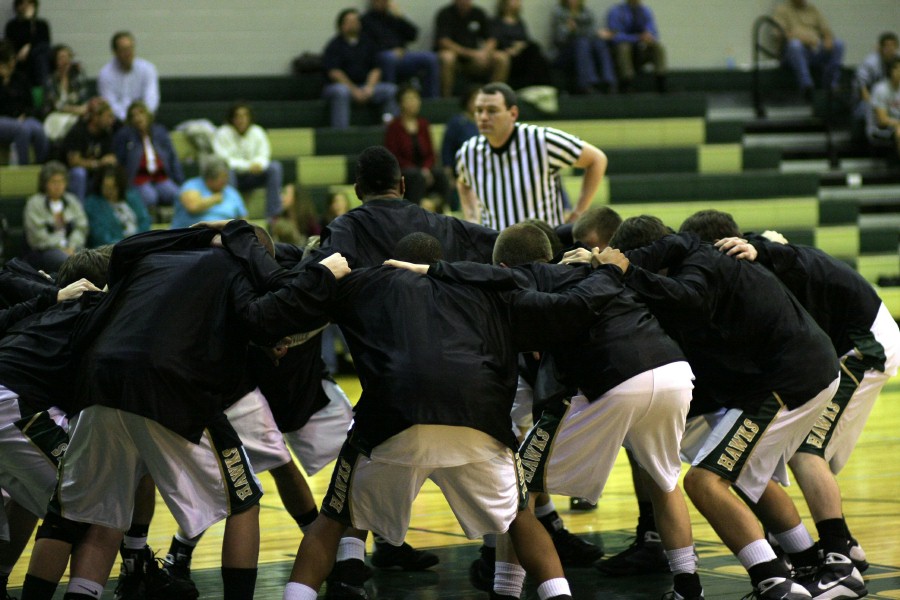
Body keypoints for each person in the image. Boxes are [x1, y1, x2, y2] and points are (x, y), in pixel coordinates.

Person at [20, 223, 349, 600]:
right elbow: (261, 317)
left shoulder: (155, 255)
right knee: (243, 504)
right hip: (168, 383)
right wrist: (322, 276)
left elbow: (125, 249)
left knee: (79, 517)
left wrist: (200, 232)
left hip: (97, 381)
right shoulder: (232, 268)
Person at [283, 232, 575, 600]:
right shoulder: (480, 284)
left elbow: (298, 302)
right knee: (519, 518)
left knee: (332, 521)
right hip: (478, 415)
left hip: (397, 415)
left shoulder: (372, 281)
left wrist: (314, 268)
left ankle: (343, 575)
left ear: (393, 262)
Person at [595, 217, 844, 600]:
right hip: (791, 373)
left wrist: (627, 273)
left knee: (704, 481)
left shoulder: (699, 265)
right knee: (740, 473)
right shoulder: (700, 263)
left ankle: (777, 581)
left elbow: (687, 299)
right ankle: (811, 563)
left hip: (790, 378)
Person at [696, 209, 900, 584]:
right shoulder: (750, 261)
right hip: (847, 344)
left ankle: (839, 553)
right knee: (805, 452)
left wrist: (761, 249)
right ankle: (841, 544)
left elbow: (785, 250)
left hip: (863, 344)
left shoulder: (760, 254)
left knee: (808, 451)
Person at [456, 82, 607, 230]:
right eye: (479, 110)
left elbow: (597, 159)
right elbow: (463, 184)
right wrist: (472, 219)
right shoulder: (468, 152)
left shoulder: (542, 140)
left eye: (492, 110)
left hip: (545, 246)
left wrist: (578, 213)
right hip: (495, 247)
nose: (483, 117)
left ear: (513, 113)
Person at [321, 8, 399, 130]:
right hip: (341, 87)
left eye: (356, 21)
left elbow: (376, 69)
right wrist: (353, 90)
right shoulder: (334, 45)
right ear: (341, 25)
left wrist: (370, 87)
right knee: (341, 92)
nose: (354, 23)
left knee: (390, 90)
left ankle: (391, 130)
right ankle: (341, 133)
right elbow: (334, 73)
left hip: (364, 86)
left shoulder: (368, 43)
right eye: (350, 21)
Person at [212, 101, 284, 223]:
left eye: (244, 115)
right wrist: (248, 166)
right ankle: (233, 218)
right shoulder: (222, 133)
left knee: (275, 167)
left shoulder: (257, 131)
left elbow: (264, 155)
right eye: (238, 116)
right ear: (232, 118)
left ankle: (273, 217)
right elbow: (224, 160)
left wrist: (259, 164)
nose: (241, 119)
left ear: (250, 118)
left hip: (254, 176)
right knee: (227, 171)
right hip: (233, 178)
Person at [383, 86, 449, 210]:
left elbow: (431, 153)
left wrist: (425, 168)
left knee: (441, 175)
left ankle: (442, 211)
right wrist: (419, 171)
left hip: (423, 171)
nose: (413, 102)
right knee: (416, 177)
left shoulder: (423, 124)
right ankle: (414, 213)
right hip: (404, 171)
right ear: (400, 103)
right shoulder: (394, 127)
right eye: (409, 99)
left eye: (415, 98)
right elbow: (393, 157)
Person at [113, 100, 184, 212]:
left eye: (141, 113)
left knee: (177, 195)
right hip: (139, 179)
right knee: (150, 197)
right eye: (133, 116)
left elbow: (172, 157)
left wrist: (179, 181)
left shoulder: (160, 132)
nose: (138, 118)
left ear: (148, 115)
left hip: (161, 177)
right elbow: (120, 163)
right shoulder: (125, 135)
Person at [361, 0, 440, 98]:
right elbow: (367, 45)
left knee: (431, 58)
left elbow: (413, 35)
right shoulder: (365, 20)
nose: (382, 2)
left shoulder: (394, 17)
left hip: (403, 54)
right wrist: (391, 50)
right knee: (389, 58)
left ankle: (431, 100)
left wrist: (400, 17)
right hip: (380, 57)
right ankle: (392, 99)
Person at [23, 161, 88, 273]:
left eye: (61, 181)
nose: (58, 186)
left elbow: (82, 227)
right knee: (67, 261)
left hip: (74, 248)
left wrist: (72, 245)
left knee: (90, 260)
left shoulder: (72, 201)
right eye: (53, 182)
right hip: (45, 251)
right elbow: (37, 236)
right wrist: (61, 246)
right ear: (45, 184)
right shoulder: (34, 203)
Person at [434, 0, 509, 98]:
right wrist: (470, 53)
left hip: (474, 60)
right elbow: (443, 41)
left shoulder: (478, 13)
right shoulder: (445, 14)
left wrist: (484, 53)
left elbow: (492, 38)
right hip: (457, 59)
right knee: (447, 57)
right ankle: (446, 99)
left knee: (501, 58)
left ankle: (495, 97)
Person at [771, 0, 844, 102]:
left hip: (813, 50)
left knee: (839, 44)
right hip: (791, 54)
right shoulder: (782, 10)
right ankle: (807, 86)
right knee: (795, 45)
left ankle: (831, 85)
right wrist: (803, 39)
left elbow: (826, 29)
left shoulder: (812, 9)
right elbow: (779, 34)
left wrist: (828, 38)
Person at [0, 40, 48, 165]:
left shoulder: (20, 78)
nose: (12, 64)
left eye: (12, 60)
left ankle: (40, 166)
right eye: (8, 61)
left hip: (22, 117)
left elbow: (30, 104)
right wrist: (3, 83)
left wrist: (24, 114)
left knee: (38, 129)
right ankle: (23, 168)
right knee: (21, 130)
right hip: (4, 119)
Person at [552, 0, 616, 95]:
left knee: (599, 43)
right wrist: (568, 29)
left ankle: (608, 80)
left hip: (586, 46)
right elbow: (558, 38)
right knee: (582, 43)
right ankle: (587, 83)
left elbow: (592, 31)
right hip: (566, 49)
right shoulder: (559, 12)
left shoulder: (586, 12)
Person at [60, 96, 117, 201]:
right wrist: (98, 164)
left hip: (93, 175)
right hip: (68, 176)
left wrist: (111, 160)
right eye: (108, 117)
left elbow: (110, 156)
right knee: (79, 173)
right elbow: (74, 162)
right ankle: (79, 210)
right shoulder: (78, 131)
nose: (112, 120)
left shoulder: (107, 133)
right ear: (95, 117)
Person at [97, 31, 160, 122]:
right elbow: (110, 104)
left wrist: (142, 117)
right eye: (123, 50)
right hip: (118, 122)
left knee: (160, 133)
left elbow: (151, 99)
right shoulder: (105, 74)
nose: (128, 53)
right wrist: (129, 120)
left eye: (130, 48)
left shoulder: (148, 69)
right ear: (115, 52)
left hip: (144, 120)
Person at [605, 0, 666, 93]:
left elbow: (653, 31)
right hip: (622, 50)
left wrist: (648, 36)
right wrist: (637, 38)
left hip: (640, 49)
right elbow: (615, 36)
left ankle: (661, 80)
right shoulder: (616, 11)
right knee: (624, 47)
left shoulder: (645, 10)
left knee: (657, 47)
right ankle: (627, 82)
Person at [83, 165, 151, 248]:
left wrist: (138, 240)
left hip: (138, 244)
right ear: (100, 185)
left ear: (120, 186)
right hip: (112, 250)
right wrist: (126, 245)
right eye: (106, 187)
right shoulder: (93, 204)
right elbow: (100, 236)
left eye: (113, 187)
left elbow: (145, 220)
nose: (110, 191)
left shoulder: (131, 197)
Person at [171, 157, 247, 229]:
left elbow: (243, 218)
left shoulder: (231, 192)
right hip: (190, 236)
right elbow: (193, 207)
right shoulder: (191, 186)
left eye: (226, 177)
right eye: (222, 178)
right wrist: (214, 199)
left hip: (222, 237)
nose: (225, 181)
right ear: (209, 178)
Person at [491, 0, 552, 90]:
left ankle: (544, 86)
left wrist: (520, 46)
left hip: (522, 54)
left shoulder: (520, 23)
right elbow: (495, 41)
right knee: (533, 49)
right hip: (508, 56)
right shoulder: (496, 22)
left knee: (535, 50)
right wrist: (512, 49)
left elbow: (526, 40)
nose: (517, 3)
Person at [41, 43, 88, 143]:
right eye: (61, 58)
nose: (65, 61)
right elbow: (57, 105)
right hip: (55, 116)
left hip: (76, 115)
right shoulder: (50, 80)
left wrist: (80, 110)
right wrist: (76, 110)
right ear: (55, 61)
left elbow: (83, 99)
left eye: (68, 57)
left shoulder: (77, 77)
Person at [853, 32, 898, 128]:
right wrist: (875, 105)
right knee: (865, 111)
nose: (890, 49)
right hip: (869, 99)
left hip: (890, 99)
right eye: (887, 46)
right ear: (880, 48)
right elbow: (862, 86)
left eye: (893, 45)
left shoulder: (897, 61)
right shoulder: (871, 62)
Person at [3, 0, 50, 88]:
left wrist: (29, 46)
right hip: (19, 57)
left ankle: (42, 90)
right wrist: (27, 23)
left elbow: (45, 43)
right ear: (17, 7)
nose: (25, 6)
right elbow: (11, 44)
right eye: (22, 3)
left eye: (29, 3)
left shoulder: (41, 25)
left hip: (37, 59)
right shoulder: (12, 26)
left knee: (41, 53)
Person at [868, 57, 900, 158]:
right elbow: (882, 120)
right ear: (890, 71)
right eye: (896, 68)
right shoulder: (880, 89)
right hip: (880, 129)